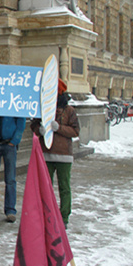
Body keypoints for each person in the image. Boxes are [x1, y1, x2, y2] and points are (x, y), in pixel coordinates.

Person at [30, 79, 79, 228]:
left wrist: (60, 128)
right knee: (45, 187)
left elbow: (75, 131)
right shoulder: (44, 107)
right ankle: (46, 215)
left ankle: (64, 217)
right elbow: (34, 125)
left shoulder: (69, 111)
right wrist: (39, 130)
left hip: (64, 155)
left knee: (64, 187)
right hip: (46, 153)